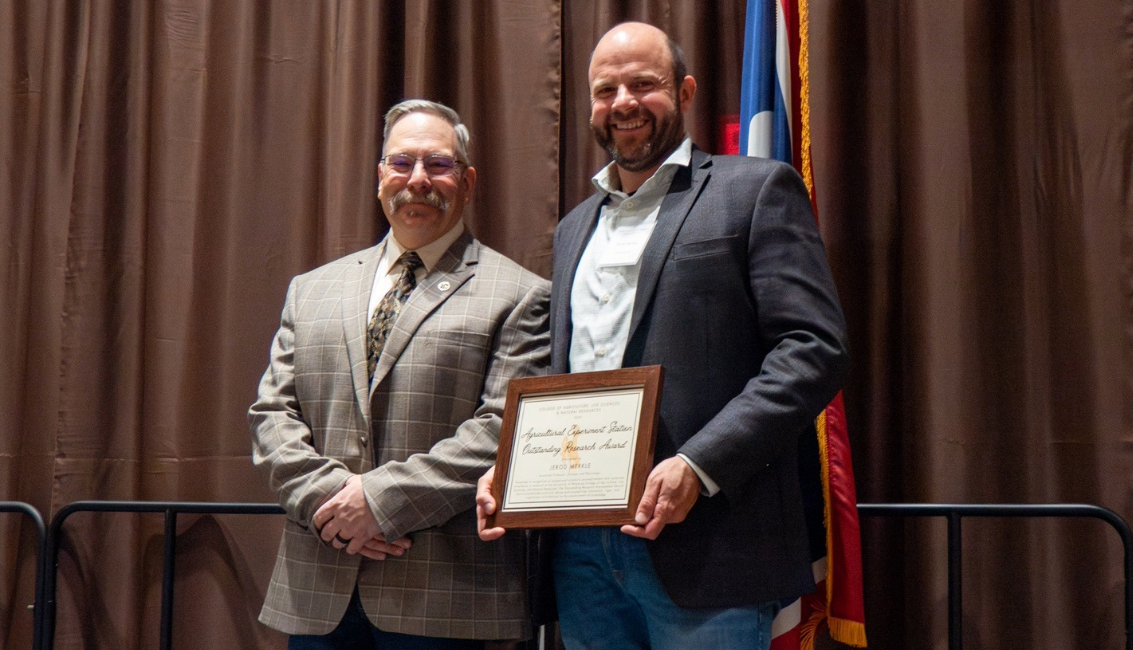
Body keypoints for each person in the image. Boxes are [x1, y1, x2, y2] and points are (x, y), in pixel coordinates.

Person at [477, 22, 849, 650]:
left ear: (685, 91)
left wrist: (699, 466)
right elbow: (565, 376)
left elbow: (814, 348)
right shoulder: (573, 229)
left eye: (643, 84)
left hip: (709, 542)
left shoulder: (753, 190)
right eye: (605, 90)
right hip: (580, 549)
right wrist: (513, 470)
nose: (622, 102)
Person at [251, 99, 550, 649]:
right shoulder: (312, 289)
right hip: (319, 586)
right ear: (379, 177)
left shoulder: (520, 295)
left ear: (467, 180)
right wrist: (330, 502)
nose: (418, 180)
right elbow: (273, 414)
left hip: (442, 598)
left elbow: (502, 428)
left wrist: (379, 503)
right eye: (401, 163)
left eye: (438, 164)